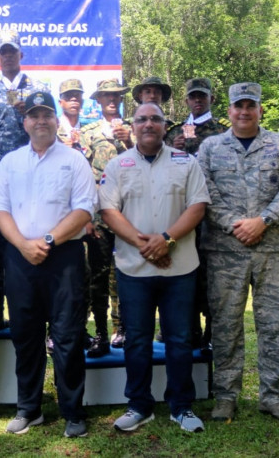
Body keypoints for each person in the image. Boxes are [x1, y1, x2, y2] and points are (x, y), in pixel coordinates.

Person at [197, 82, 279, 424]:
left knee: (272, 324)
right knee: (226, 324)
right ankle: (226, 396)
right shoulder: (211, 147)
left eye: (250, 105)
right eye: (238, 106)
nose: (244, 112)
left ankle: (273, 397)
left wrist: (263, 221)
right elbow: (203, 192)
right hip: (224, 251)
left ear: (260, 109)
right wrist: (235, 224)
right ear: (228, 110)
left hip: (274, 248)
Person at [99, 102, 210, 433]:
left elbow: (197, 207)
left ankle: (181, 406)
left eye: (155, 119)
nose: (149, 124)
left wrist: (167, 241)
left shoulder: (186, 162)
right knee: (136, 340)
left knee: (178, 339)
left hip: (180, 269)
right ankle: (138, 405)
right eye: (142, 119)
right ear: (133, 126)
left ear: (165, 126)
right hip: (134, 269)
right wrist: (146, 245)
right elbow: (108, 211)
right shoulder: (118, 164)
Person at [0, 92, 95, 438]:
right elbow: (0, 210)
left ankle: (73, 411)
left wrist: (48, 241)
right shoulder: (10, 162)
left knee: (67, 336)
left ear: (56, 120)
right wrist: (22, 245)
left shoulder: (74, 159)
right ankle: (29, 409)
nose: (40, 121)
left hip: (63, 257)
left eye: (47, 115)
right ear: (25, 123)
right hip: (20, 258)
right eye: (34, 116)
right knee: (26, 335)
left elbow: (84, 209)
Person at [0, 29, 50, 332]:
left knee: (34, 246)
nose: (8, 56)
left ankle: (38, 316)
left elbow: (48, 133)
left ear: (22, 55)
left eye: (13, 51)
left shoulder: (38, 90)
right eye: (3, 52)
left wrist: (29, 114)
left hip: (32, 183)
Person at [164, 78, 229, 349]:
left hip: (214, 215)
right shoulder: (174, 132)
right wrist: (173, 150)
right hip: (181, 214)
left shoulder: (224, 132)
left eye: (202, 96)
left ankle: (212, 334)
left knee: (213, 275)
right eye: (193, 97)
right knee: (184, 272)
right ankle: (189, 330)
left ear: (212, 99)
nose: (197, 101)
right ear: (187, 100)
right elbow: (160, 169)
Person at [80, 78, 136, 355]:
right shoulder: (87, 132)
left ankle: (124, 329)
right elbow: (82, 176)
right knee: (98, 275)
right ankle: (101, 333)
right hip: (101, 215)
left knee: (127, 273)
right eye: (106, 96)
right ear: (98, 99)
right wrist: (88, 215)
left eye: (116, 95)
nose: (112, 100)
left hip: (130, 215)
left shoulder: (137, 128)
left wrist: (130, 140)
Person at [57, 79, 84, 150]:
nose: (74, 99)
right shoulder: (51, 131)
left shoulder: (90, 132)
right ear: (60, 103)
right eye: (68, 96)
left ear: (82, 102)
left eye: (77, 96)